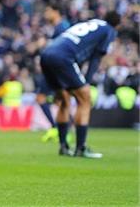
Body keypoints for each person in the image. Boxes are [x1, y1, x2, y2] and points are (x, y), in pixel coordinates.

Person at [40, 11, 120, 158]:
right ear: (117, 25)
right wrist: (86, 82)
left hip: (47, 54)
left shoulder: (93, 23)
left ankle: (63, 147)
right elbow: (96, 58)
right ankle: (81, 148)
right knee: (85, 99)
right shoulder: (109, 30)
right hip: (64, 57)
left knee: (64, 100)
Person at [37, 4, 71, 143]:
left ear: (56, 12)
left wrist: (45, 44)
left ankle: (58, 129)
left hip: (57, 69)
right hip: (55, 68)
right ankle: (61, 129)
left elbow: (62, 47)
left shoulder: (63, 27)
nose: (45, 14)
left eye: (48, 11)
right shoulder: (59, 27)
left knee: (44, 98)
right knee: (59, 100)